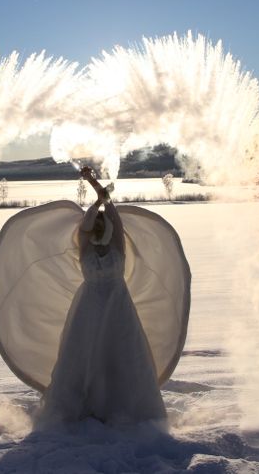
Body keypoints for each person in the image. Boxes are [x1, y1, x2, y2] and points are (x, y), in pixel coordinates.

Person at [39, 167, 167, 424]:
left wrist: (93, 183)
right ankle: (81, 408)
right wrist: (93, 192)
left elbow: (109, 206)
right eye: (92, 223)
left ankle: (124, 409)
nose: (96, 225)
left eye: (100, 222)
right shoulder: (84, 242)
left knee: (120, 353)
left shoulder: (117, 242)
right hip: (89, 307)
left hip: (118, 306)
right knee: (84, 354)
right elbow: (92, 217)